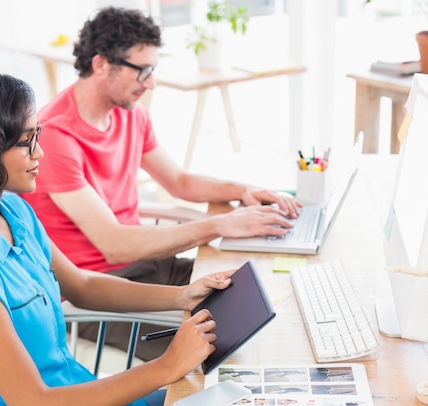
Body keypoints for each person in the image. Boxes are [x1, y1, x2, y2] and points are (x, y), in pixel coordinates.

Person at [0, 68, 234, 406]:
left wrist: (180, 296)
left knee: (241, 397)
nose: (39, 154)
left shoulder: (12, 210)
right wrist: (167, 366)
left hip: (89, 397)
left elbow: (82, 285)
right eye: (26, 142)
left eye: (36, 135)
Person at [20, 6, 302, 359]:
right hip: (99, 292)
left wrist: (241, 191)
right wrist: (220, 223)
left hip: (150, 267)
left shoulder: (130, 114)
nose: (150, 82)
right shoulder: (57, 137)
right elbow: (115, 246)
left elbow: (179, 182)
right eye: (143, 71)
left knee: (255, 295)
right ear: (101, 64)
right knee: (224, 346)